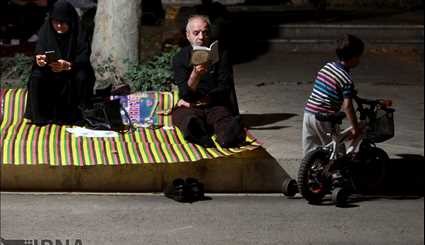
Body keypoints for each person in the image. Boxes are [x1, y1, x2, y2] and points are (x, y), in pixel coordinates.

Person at [172, 15, 245, 148]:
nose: (201, 37)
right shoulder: (180, 58)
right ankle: (198, 133)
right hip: (191, 106)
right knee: (183, 116)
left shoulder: (221, 55)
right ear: (188, 35)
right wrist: (195, 75)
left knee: (223, 118)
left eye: (205, 33)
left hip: (214, 103)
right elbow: (184, 94)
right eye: (196, 33)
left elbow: (225, 86)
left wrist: (206, 100)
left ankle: (228, 134)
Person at [24, 0, 95, 125]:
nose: (59, 26)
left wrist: (68, 65)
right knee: (36, 76)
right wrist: (40, 60)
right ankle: (39, 117)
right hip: (51, 72)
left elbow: (84, 57)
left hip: (72, 72)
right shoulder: (46, 31)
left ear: (70, 21)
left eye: (63, 22)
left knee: (82, 76)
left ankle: (79, 115)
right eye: (56, 22)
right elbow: (39, 50)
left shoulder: (78, 33)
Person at [302, 34, 365, 157]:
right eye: (359, 57)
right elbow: (347, 106)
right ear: (352, 58)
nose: (359, 60)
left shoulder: (327, 67)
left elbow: (328, 88)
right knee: (336, 154)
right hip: (325, 118)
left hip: (309, 113)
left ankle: (307, 174)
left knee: (310, 152)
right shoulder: (346, 79)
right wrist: (355, 127)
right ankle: (336, 174)